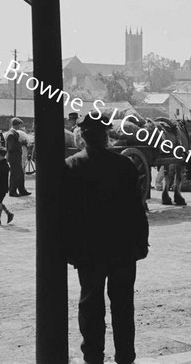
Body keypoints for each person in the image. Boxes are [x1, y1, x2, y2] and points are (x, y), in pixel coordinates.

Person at [63, 114, 149, 364]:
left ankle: (92, 356)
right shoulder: (125, 165)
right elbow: (136, 208)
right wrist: (141, 243)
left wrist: (69, 249)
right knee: (123, 305)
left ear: (82, 137)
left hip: (89, 249)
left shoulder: (71, 165)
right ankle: (125, 356)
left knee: (90, 304)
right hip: (122, 248)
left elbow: (66, 213)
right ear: (106, 136)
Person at [7, 117, 30, 197]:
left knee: (20, 174)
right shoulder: (11, 134)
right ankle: (12, 191)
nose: (20, 126)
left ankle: (22, 190)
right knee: (15, 174)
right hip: (14, 158)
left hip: (16, 157)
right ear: (17, 125)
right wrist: (21, 143)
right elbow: (11, 147)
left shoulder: (13, 133)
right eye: (20, 124)